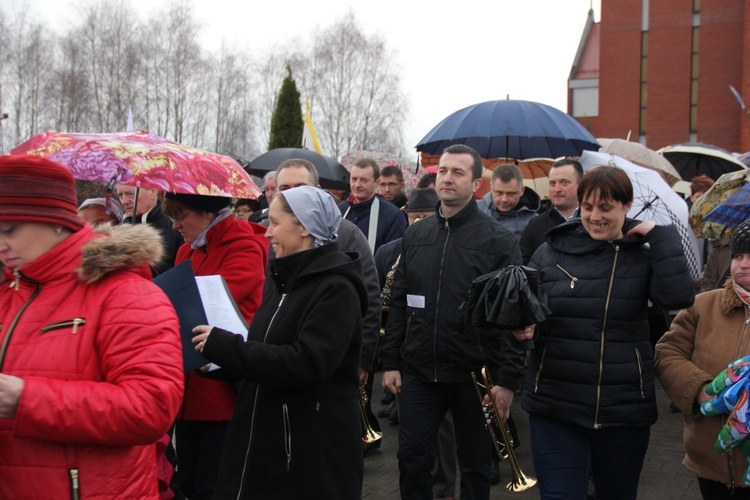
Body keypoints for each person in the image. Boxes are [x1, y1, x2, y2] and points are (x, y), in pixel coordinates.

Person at [0, 155, 184, 499]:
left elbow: (152, 407)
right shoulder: (10, 289)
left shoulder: (127, 294)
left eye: (9, 229)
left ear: (57, 222)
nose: (0, 244)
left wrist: (25, 399)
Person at [520, 166, 695, 499]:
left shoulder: (642, 255)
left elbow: (678, 297)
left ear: (627, 206)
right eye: (588, 207)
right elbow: (528, 312)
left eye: (605, 208)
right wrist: (521, 329)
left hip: (622, 408)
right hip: (556, 404)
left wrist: (662, 237)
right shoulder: (551, 250)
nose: (595, 217)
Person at [192, 186, 366, 498]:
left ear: (304, 227)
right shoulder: (279, 281)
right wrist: (216, 362)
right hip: (261, 437)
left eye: (274, 222)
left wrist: (228, 348)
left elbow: (306, 364)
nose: (267, 232)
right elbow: (263, 352)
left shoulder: (337, 288)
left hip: (303, 450)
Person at [380, 144, 525, 499]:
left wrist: (507, 381)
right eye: (443, 170)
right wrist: (390, 363)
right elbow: (399, 302)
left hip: (474, 376)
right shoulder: (415, 235)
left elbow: (514, 318)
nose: (447, 178)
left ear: (476, 184)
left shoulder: (497, 241)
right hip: (418, 373)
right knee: (412, 459)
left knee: (476, 465)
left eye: (458, 172)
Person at [161, 193, 268, 500]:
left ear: (207, 213)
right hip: (189, 385)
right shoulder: (185, 251)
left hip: (222, 388)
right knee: (189, 480)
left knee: (214, 484)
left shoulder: (243, 247)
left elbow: (211, 306)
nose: (175, 224)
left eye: (182, 215)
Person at [273, 158, 383, 456]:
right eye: (284, 189)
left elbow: (370, 296)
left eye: (300, 188)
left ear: (318, 191)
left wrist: (364, 357)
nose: (292, 196)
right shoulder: (268, 233)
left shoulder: (346, 234)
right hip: (279, 363)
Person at [655, 219, 750, 499]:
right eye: (738, 256)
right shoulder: (703, 305)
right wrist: (701, 391)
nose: (743, 264)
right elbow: (667, 352)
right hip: (710, 458)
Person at [520, 159, 583, 264]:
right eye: (552, 183)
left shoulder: (593, 222)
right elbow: (522, 267)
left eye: (564, 182)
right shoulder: (535, 225)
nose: (557, 189)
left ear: (580, 185)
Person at [339, 158, 407, 253]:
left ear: (377, 182)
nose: (357, 185)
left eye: (364, 180)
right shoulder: (338, 211)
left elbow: (392, 256)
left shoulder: (393, 215)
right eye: (354, 179)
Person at [117, 184, 184, 276]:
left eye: (130, 194)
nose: (124, 201)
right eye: (120, 195)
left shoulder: (175, 226)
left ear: (152, 192)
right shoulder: (117, 233)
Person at [476, 163, 541, 240]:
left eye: (511, 194)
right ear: (491, 187)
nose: (504, 199)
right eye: (499, 193)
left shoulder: (534, 222)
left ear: (522, 190)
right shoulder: (474, 210)